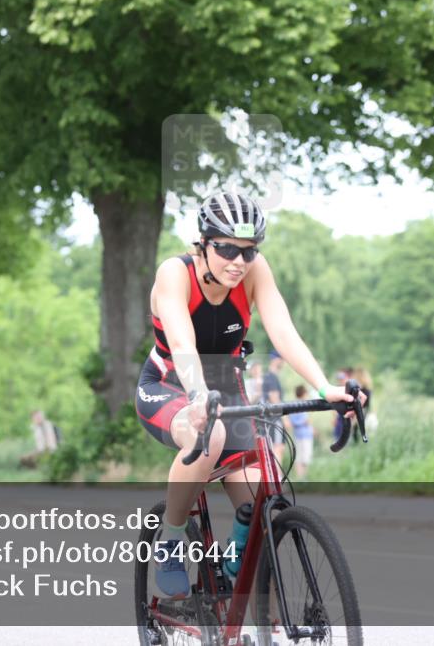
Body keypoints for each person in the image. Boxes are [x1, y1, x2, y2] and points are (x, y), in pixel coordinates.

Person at [135, 190, 364, 597]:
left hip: (228, 385)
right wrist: (197, 394)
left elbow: (283, 331)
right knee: (213, 437)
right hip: (171, 382)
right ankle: (170, 541)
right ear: (203, 242)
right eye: (226, 249)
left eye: (249, 251)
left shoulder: (255, 272)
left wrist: (324, 386)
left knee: (265, 490)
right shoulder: (175, 273)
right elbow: (183, 341)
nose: (239, 262)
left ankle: (238, 572)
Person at [262, 349, 290, 463]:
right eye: (282, 359)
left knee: (279, 448)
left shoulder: (269, 376)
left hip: (272, 419)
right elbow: (275, 399)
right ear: (276, 360)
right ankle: (277, 479)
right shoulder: (271, 376)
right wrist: (285, 419)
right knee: (277, 449)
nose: (283, 362)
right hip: (274, 419)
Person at [288, 387, 316, 479]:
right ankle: (301, 477)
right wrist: (304, 422)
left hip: (305, 434)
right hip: (301, 435)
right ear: (303, 394)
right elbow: (294, 421)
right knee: (301, 457)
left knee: (304, 457)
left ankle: (303, 477)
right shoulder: (297, 405)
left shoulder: (302, 404)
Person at [352, 367, 378, 433]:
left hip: (361, 418)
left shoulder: (359, 391)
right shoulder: (368, 390)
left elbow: (362, 406)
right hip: (365, 416)